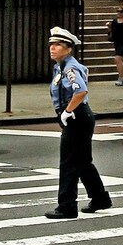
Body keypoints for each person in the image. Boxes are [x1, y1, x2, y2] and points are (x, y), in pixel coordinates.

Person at [44, 26, 111, 220]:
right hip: (79, 117)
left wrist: (67, 111)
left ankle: (67, 206)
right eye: (51, 44)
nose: (52, 48)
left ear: (68, 48)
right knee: (82, 161)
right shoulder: (61, 66)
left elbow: (80, 91)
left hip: (77, 117)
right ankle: (100, 198)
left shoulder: (70, 68)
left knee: (68, 163)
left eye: (58, 45)